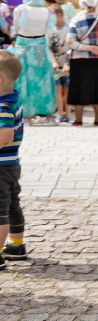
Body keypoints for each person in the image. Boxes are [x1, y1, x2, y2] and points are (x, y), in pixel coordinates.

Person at [10, 0, 57, 120]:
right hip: (41, 47)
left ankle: (24, 112)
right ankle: (46, 111)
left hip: (22, 47)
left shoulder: (20, 9)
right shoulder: (49, 12)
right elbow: (50, 31)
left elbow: (16, 28)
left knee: (22, 79)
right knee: (42, 79)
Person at [0, 51, 27, 270]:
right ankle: (16, 245)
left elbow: (4, 137)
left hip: (1, 166)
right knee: (11, 205)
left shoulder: (3, 108)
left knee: (0, 212)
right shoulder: (13, 99)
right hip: (11, 164)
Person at [44, 0, 71, 123]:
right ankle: (60, 113)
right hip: (55, 64)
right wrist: (54, 61)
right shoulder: (50, 30)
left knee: (68, 90)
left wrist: (66, 63)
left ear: (60, 15)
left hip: (66, 63)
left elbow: (71, 47)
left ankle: (68, 114)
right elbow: (48, 47)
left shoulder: (68, 29)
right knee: (57, 90)